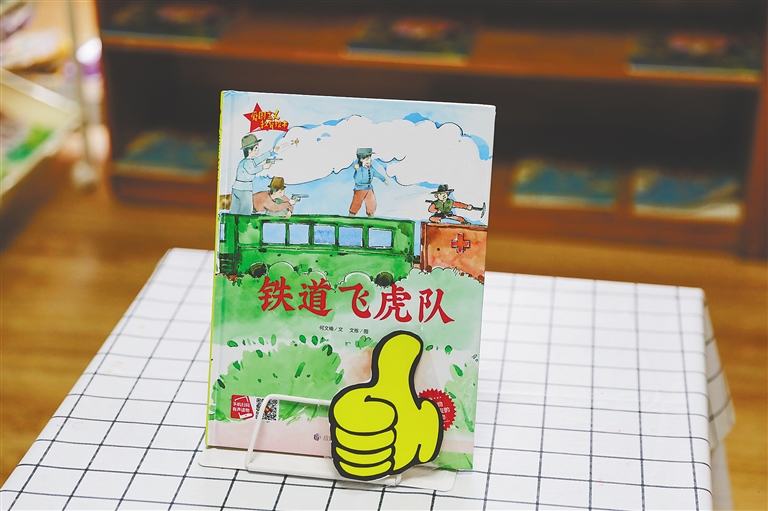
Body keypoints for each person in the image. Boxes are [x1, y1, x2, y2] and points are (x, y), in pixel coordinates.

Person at [230, 133, 277, 215]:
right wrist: (263, 167)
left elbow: (259, 159)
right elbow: (252, 170)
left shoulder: (246, 161)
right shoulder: (248, 162)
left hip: (237, 188)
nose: (257, 150)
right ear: (249, 150)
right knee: (245, 211)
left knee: (234, 210)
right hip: (244, 189)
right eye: (256, 148)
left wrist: (270, 152)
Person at [349, 147, 388, 217]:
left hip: (369, 188)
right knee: (356, 203)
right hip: (359, 189)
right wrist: (358, 170)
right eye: (367, 159)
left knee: (371, 203)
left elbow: (376, 173)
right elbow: (357, 179)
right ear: (361, 160)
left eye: (370, 159)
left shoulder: (371, 168)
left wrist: (383, 179)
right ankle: (351, 215)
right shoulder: (359, 169)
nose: (370, 161)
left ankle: (371, 216)